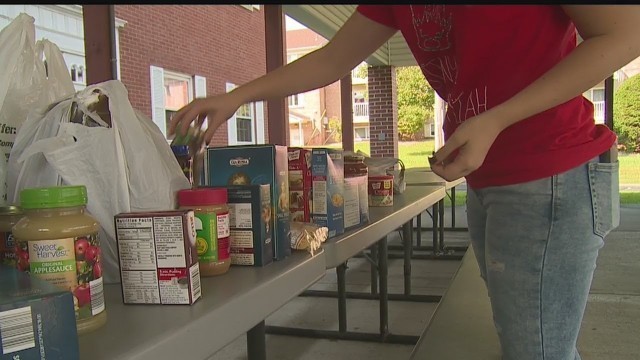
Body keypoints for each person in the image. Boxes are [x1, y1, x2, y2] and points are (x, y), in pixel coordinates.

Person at [169, 5, 640, 359]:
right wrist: (237, 97)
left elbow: (626, 30)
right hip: (489, 177)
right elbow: (333, 59)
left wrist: (496, 120)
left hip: (551, 172)